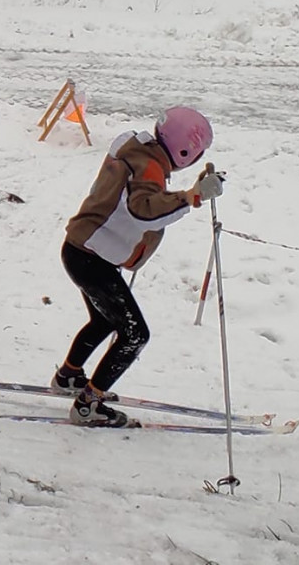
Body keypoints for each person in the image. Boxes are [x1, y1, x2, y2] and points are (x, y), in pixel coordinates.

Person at [50, 107, 223, 426]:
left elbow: (143, 196)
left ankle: (69, 376)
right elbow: (144, 209)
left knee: (104, 322)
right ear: (186, 151)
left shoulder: (141, 152)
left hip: (83, 250)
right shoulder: (149, 165)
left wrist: (190, 193)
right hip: (91, 258)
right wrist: (192, 197)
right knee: (134, 335)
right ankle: (88, 405)